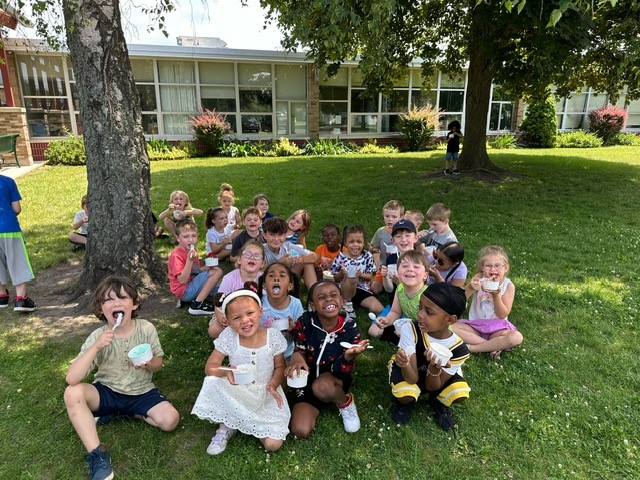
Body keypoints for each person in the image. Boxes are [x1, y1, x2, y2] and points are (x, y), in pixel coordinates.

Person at [63, 276, 179, 480]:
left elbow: (158, 363)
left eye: (123, 297)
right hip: (107, 392)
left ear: (134, 304)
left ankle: (129, 412)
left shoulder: (146, 328)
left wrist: (149, 363)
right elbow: (72, 378)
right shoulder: (97, 336)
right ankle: (98, 455)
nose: (116, 303)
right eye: (108, 299)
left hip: (141, 392)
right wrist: (95, 347)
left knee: (170, 421)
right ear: (100, 308)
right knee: (73, 393)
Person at [191, 289, 290, 455]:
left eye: (250, 313)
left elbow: (280, 367)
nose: (245, 320)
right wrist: (225, 373)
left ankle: (244, 421)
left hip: (266, 393)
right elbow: (211, 366)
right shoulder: (229, 337)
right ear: (228, 321)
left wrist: (273, 385)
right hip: (237, 391)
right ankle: (226, 426)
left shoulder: (272, 336)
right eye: (237, 318)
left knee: (273, 445)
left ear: (260, 312)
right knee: (211, 381)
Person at [285, 281, 370, 437]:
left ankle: (345, 403)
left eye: (333, 295)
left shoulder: (350, 328)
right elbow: (300, 348)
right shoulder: (305, 322)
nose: (329, 299)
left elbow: (343, 370)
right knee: (300, 430)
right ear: (313, 305)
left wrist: (348, 356)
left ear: (342, 300)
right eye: (321, 297)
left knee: (322, 386)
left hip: (333, 378)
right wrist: (297, 355)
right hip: (306, 377)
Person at [389, 282, 470, 429]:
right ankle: (404, 403)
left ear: (450, 320)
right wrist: (404, 363)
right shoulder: (410, 330)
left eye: (429, 312)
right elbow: (411, 378)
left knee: (460, 391)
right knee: (406, 392)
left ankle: (438, 402)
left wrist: (434, 369)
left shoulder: (458, 349)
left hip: (435, 379)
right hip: (411, 371)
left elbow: (433, 386)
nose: (420, 314)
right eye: (420, 307)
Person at [451, 245, 522, 360]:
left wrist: (496, 295)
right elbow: (460, 300)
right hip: (475, 327)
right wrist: (470, 287)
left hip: (497, 329)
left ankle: (470, 348)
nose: (493, 270)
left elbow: (502, 314)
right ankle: (492, 346)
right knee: (449, 326)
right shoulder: (479, 278)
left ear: (506, 268)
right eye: (488, 266)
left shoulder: (508, 286)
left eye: (497, 266)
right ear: (482, 267)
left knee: (516, 337)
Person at [208, 240, 265, 338]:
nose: (252, 257)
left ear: (262, 264)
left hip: (254, 316)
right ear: (239, 260)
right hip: (231, 315)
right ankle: (235, 338)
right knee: (214, 330)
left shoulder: (264, 279)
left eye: (257, 256)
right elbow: (219, 303)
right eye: (247, 254)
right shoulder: (229, 278)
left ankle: (249, 337)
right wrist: (222, 318)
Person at [167, 220, 223, 315]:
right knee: (217, 271)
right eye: (186, 237)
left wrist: (204, 269)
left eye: (193, 236)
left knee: (221, 290)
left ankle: (195, 299)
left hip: (193, 284)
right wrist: (189, 261)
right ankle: (197, 305)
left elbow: (194, 271)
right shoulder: (176, 255)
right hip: (184, 290)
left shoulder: (192, 249)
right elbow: (182, 281)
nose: (190, 239)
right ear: (178, 238)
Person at [370, 250, 429, 340]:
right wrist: (388, 320)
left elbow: (432, 323)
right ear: (397, 272)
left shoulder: (426, 296)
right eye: (405, 266)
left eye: (416, 267)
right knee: (374, 331)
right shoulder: (400, 288)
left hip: (427, 330)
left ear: (425, 276)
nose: (410, 269)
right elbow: (395, 312)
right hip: (409, 325)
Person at [331, 225, 383, 320]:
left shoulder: (367, 256)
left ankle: (386, 322)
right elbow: (334, 278)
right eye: (351, 242)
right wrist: (341, 274)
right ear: (346, 243)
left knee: (378, 308)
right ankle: (346, 304)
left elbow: (371, 277)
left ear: (363, 243)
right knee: (352, 278)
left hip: (361, 290)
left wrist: (361, 275)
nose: (355, 245)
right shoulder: (341, 257)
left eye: (359, 242)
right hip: (343, 289)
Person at [0, 173, 36, 312]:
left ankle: (2, 295)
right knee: (17, 262)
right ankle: (21, 299)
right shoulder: (7, 182)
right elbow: (16, 209)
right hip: (9, 228)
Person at [258, 262, 303, 361]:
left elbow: (302, 334)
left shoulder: (295, 304)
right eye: (271, 275)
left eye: (282, 275)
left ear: (290, 286)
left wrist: (293, 329)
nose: (276, 278)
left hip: (286, 355)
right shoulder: (258, 303)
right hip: (262, 354)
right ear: (264, 286)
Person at [262, 217, 319, 290]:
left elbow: (316, 256)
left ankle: (314, 293)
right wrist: (280, 263)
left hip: (288, 281)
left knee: (308, 262)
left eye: (280, 235)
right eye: (272, 234)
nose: (276, 239)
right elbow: (257, 271)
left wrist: (300, 259)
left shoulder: (287, 245)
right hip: (268, 284)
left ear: (285, 236)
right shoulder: (261, 250)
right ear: (264, 235)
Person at [371, 219, 419, 296]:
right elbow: (389, 289)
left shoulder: (419, 260)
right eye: (398, 236)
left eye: (407, 235)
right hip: (394, 302)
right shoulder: (391, 259)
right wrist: (385, 277)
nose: (403, 239)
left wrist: (398, 282)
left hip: (412, 304)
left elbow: (415, 292)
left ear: (416, 238)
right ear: (393, 240)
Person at [369, 199, 405, 267]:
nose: (390, 219)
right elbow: (373, 246)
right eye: (387, 216)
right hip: (383, 265)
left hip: (400, 265)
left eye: (394, 217)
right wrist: (373, 250)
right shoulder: (380, 231)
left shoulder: (404, 232)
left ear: (401, 217)